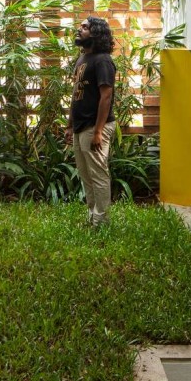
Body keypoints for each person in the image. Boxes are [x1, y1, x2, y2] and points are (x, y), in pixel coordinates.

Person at [66, 16, 117, 227]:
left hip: (96, 127)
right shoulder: (82, 59)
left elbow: (106, 96)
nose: (80, 29)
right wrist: (70, 125)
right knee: (86, 176)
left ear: (95, 32)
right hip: (80, 127)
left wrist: (98, 132)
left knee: (98, 175)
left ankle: (101, 221)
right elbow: (76, 93)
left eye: (85, 27)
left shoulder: (102, 60)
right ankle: (92, 216)